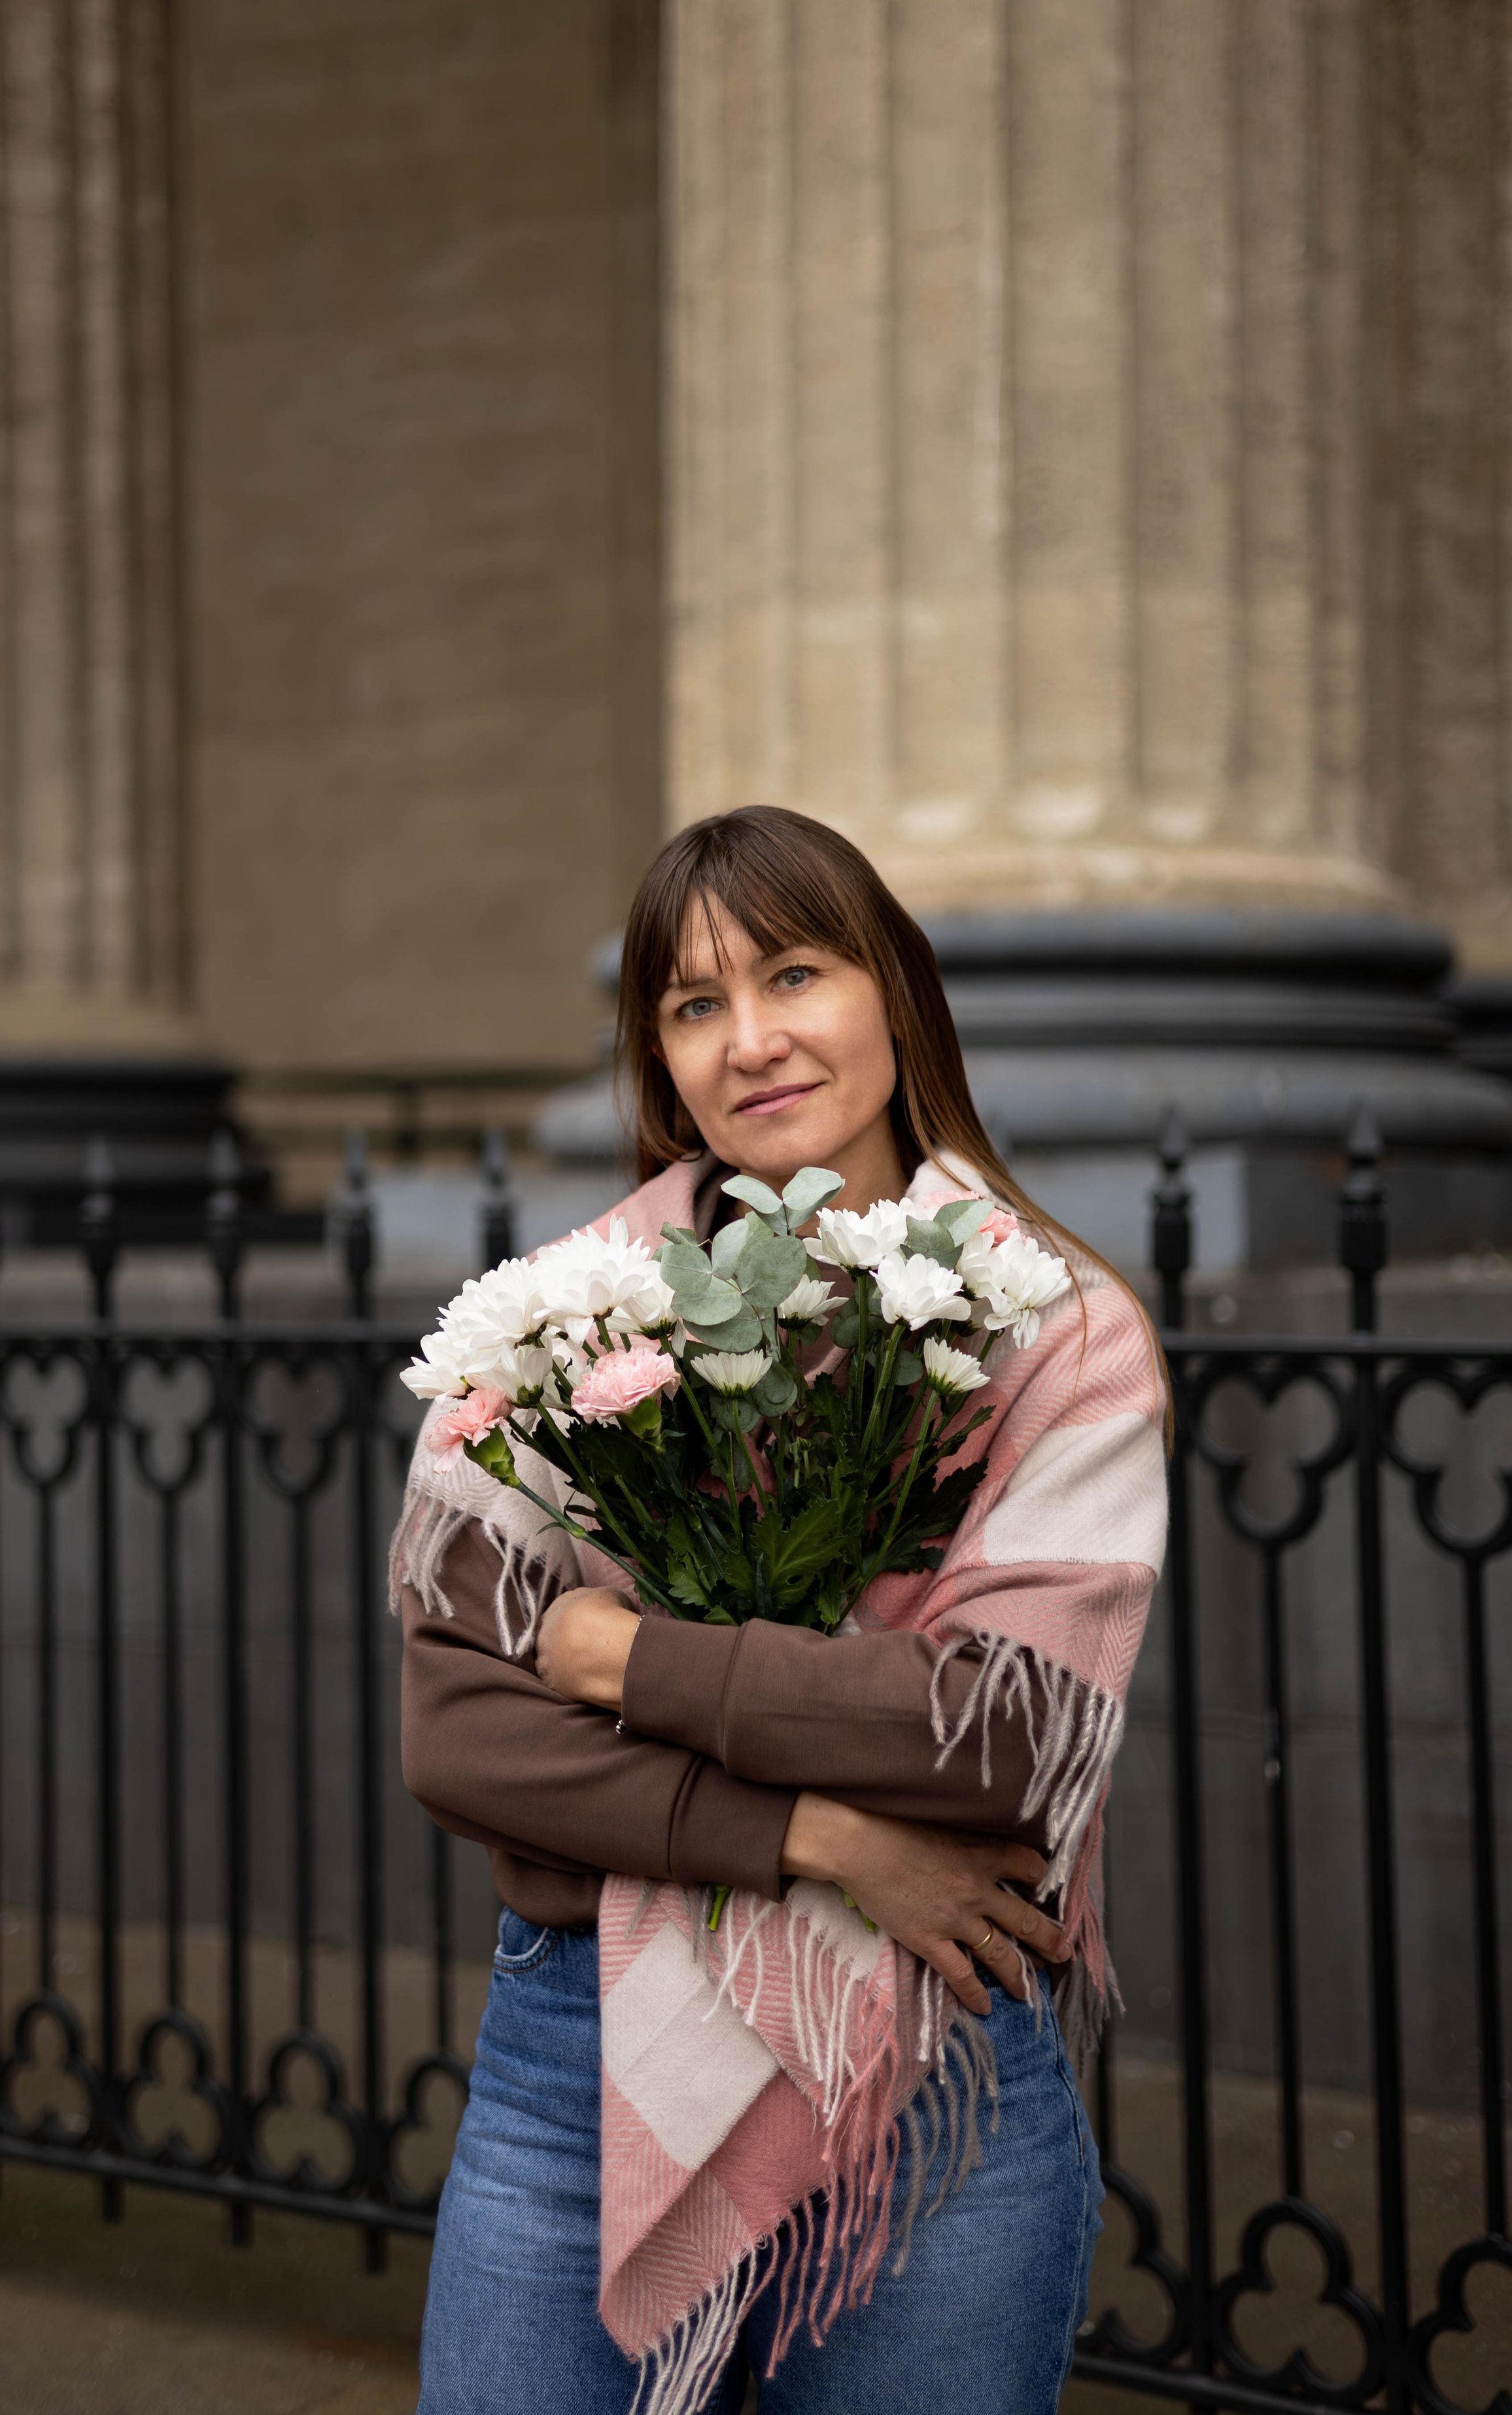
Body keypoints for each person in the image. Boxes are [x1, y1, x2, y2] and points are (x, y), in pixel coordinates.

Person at [394, 806, 1167, 2415]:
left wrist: (626, 1657)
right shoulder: (551, 1326)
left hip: (932, 2074)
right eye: (694, 1002)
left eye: (795, 973)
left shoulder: (1055, 1330)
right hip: (577, 2061)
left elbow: (1006, 1732)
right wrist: (825, 1835)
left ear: (894, 988)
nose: (749, 1040)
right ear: (657, 1056)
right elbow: (462, 1732)